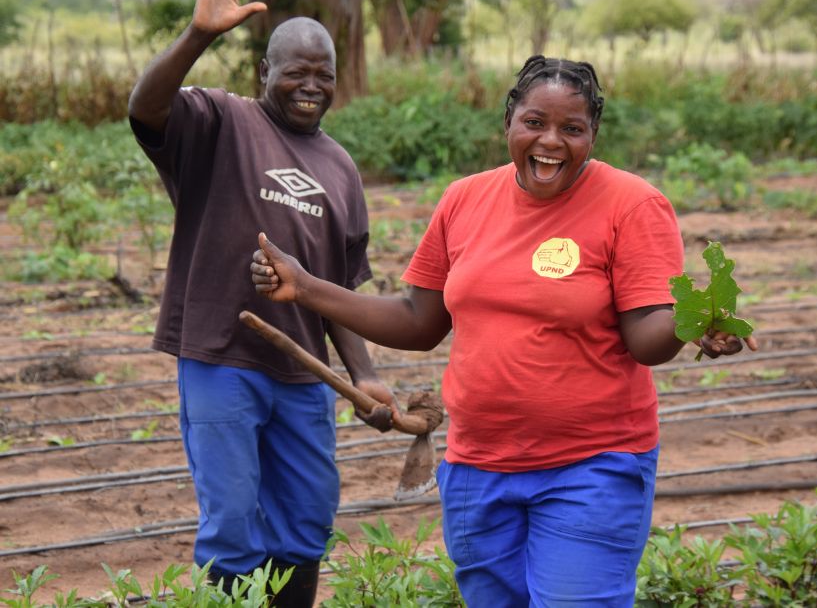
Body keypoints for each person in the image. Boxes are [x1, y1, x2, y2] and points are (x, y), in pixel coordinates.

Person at [249, 55, 757, 607]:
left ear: (594, 135)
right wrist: (305, 288)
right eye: (535, 122)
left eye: (572, 128)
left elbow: (645, 337)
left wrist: (692, 324)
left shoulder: (631, 204)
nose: (551, 142)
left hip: (591, 467)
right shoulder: (465, 200)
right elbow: (419, 321)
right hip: (478, 470)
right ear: (510, 121)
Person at [128, 0, 396, 606]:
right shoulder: (221, 122)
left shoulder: (341, 169)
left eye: (324, 75)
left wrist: (362, 373)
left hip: (305, 373)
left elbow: (338, 291)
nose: (311, 86)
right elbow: (144, 111)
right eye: (295, 73)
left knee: (307, 520)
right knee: (233, 525)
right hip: (222, 359)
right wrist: (197, 35)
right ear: (262, 72)